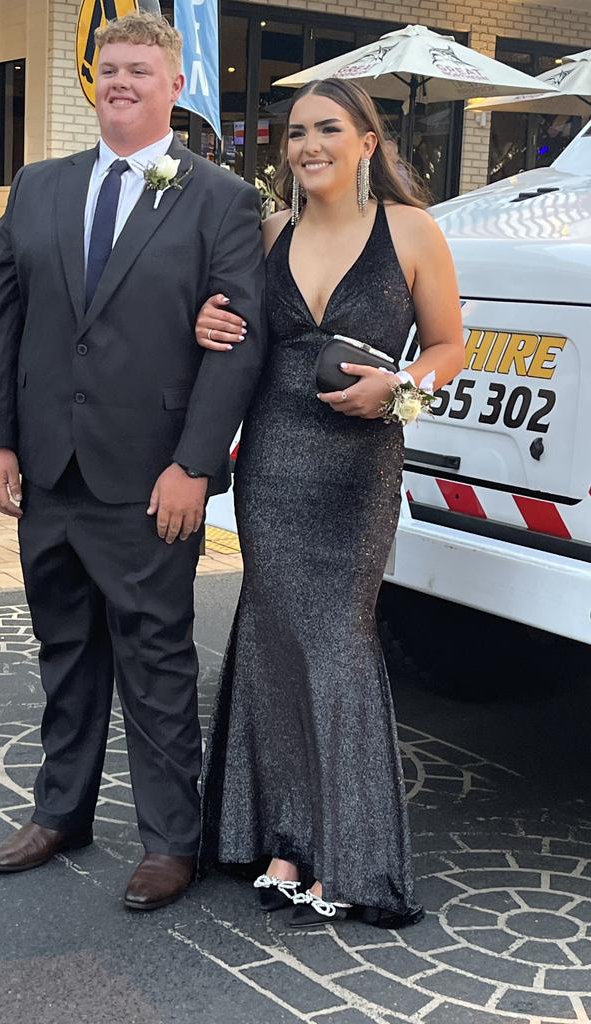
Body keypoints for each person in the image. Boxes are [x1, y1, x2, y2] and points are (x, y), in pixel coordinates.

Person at [0, 11, 265, 911]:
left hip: (150, 479)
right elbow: (1, 314)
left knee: (156, 658)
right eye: (110, 69)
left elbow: (238, 343)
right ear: (93, 81)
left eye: (141, 69)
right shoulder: (40, 186)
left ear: (176, 86)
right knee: (65, 651)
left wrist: (193, 466)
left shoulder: (220, 198)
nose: (122, 82)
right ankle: (61, 812)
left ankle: (172, 840)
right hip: (49, 472)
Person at [195, 78, 465, 928]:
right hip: (273, 461)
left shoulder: (413, 231)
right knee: (274, 639)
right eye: (295, 131)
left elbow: (453, 345)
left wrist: (402, 385)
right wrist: (207, 319)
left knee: (339, 640)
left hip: (358, 468)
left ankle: (350, 851)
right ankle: (283, 835)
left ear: (367, 142)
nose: (308, 143)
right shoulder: (272, 231)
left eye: (328, 129)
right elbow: (236, 334)